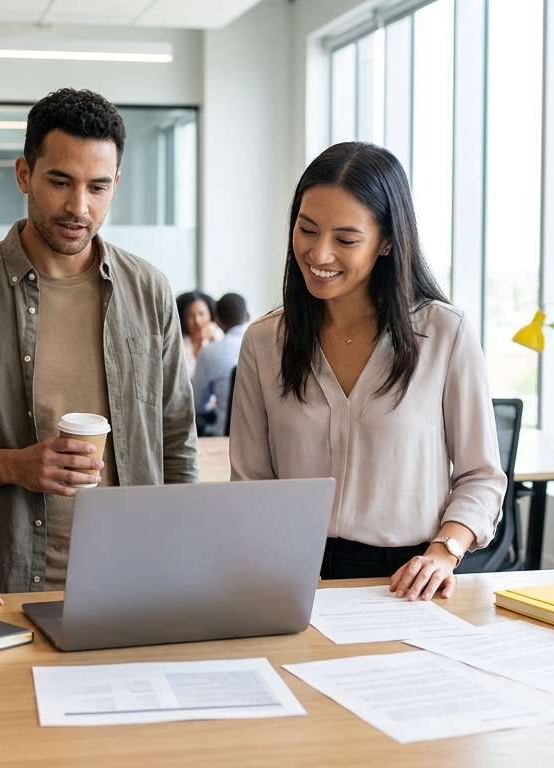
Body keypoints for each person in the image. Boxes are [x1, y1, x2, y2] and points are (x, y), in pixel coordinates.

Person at [0, 88, 198, 594]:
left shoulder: (149, 291)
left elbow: (176, 439)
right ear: (24, 174)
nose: (78, 206)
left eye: (98, 187)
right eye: (60, 182)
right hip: (6, 586)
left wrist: (179, 556)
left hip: (133, 581)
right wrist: (15, 465)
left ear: (116, 186)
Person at [229, 142, 505, 602]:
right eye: (307, 229)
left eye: (346, 239)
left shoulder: (444, 334)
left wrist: (445, 550)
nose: (319, 254)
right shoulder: (265, 341)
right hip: (292, 576)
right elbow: (252, 484)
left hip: (407, 581)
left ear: (388, 241)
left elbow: (482, 476)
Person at [192, 293, 250, 436]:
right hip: (268, 442)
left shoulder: (209, 352)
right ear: (247, 317)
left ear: (218, 321)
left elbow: (197, 405)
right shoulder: (268, 345)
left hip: (227, 440)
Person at [176, 290, 221, 379]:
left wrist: (213, 341)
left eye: (201, 314)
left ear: (210, 314)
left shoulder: (218, 337)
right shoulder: (178, 342)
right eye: (190, 315)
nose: (197, 321)